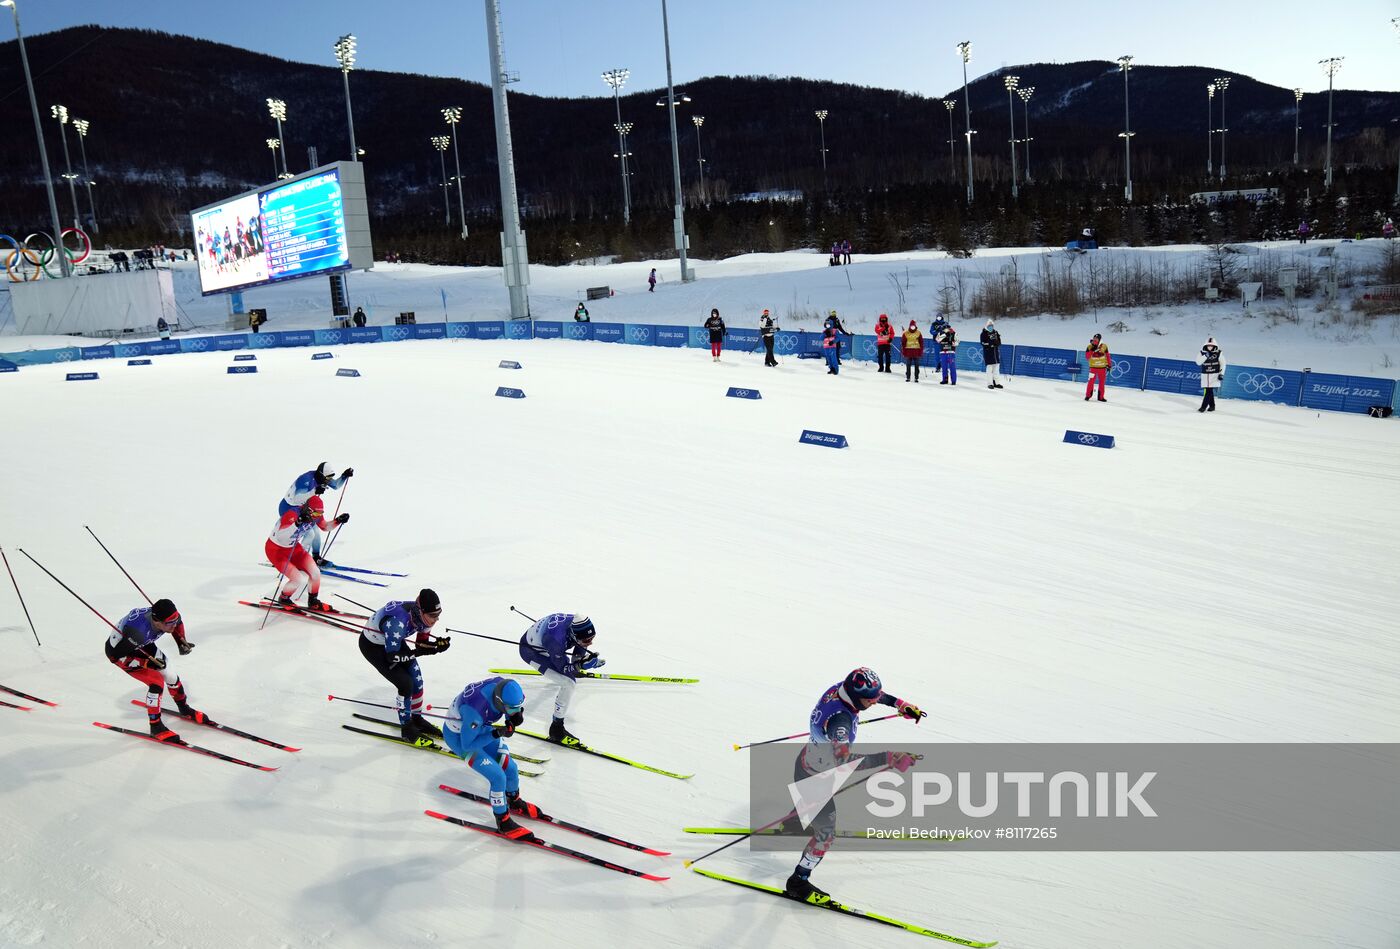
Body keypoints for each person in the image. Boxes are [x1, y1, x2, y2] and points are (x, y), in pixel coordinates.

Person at [785, 667, 925, 902]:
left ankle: (795, 819)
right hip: (815, 778)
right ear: (855, 695)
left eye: (875, 697)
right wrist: (889, 758)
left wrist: (900, 704)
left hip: (810, 763)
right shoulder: (840, 722)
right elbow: (844, 762)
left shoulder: (844, 689)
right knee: (826, 835)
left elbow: (875, 694)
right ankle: (798, 881)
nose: (874, 701)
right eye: (870, 699)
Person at [442, 676, 538, 839]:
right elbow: (468, 745)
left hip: (481, 729)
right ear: (500, 702)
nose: (516, 710)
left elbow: (509, 707)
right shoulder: (475, 712)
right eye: (512, 708)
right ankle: (503, 821)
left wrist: (512, 718)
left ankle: (513, 800)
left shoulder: (503, 686)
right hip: (461, 738)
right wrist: (496, 733)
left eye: (518, 707)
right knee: (498, 777)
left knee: (511, 768)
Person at [105, 598, 204, 742]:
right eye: (169, 623)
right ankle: (156, 727)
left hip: (144, 644)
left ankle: (185, 709)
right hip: (122, 652)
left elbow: (178, 622)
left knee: (170, 675)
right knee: (156, 682)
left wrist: (181, 642)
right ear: (157, 622)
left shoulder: (168, 617)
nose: (174, 625)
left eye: (175, 620)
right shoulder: (137, 633)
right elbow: (115, 657)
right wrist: (146, 664)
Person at [360, 589, 450, 744]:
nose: (436, 620)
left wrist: (436, 646)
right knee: (405, 683)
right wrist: (422, 652)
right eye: (433, 616)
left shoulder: (424, 617)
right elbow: (392, 657)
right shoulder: (397, 623)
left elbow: (421, 643)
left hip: (393, 642)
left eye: (438, 615)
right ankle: (407, 728)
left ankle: (416, 719)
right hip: (374, 647)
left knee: (416, 678)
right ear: (421, 612)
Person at [518, 612, 604, 745]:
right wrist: (579, 665)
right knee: (568, 683)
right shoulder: (556, 641)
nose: (590, 643)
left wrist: (578, 662)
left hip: (547, 642)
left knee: (572, 666)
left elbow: (580, 644)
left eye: (592, 638)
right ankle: (556, 729)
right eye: (587, 640)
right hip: (532, 652)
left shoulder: (576, 624)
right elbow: (563, 668)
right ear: (574, 635)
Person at [266, 497, 348, 612]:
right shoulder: (292, 514)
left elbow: (325, 527)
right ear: (307, 509)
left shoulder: (316, 515)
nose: (317, 516)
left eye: (320, 513)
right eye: (315, 513)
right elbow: (281, 536)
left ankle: (313, 602)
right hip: (276, 550)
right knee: (297, 579)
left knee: (315, 573)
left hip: (293, 547)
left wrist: (338, 521)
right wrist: (297, 523)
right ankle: (284, 598)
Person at [280, 462, 354, 563]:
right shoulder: (305, 480)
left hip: (305, 507)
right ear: (320, 474)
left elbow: (336, 486)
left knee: (316, 532)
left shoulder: (324, 478)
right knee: (309, 533)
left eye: (329, 478)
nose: (328, 481)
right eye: (327, 479)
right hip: (289, 507)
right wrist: (314, 491)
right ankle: (299, 559)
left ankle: (316, 557)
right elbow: (296, 499)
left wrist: (344, 476)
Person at [1196, 336, 1225, 413]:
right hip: (1205, 375)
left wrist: (1221, 374)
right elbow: (1198, 362)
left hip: (1214, 375)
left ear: (1215, 346)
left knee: (1209, 391)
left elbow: (1223, 364)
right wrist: (1205, 356)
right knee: (1209, 391)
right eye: (1208, 345)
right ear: (1205, 345)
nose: (1210, 347)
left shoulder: (1219, 353)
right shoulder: (1202, 353)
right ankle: (1212, 406)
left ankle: (1203, 407)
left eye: (1211, 346)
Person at [1084, 333, 1111, 402]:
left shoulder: (1104, 346)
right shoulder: (1089, 346)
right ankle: (1088, 396)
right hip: (1093, 368)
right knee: (1090, 382)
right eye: (1094, 338)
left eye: (1096, 339)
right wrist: (1092, 349)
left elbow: (1107, 356)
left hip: (1102, 368)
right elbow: (1087, 357)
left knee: (1102, 383)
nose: (1095, 340)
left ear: (1100, 339)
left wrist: (1109, 365)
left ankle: (1101, 397)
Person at [980, 320, 1004, 389]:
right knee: (989, 370)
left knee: (996, 369)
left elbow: (999, 342)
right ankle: (990, 383)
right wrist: (990, 344)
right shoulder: (984, 333)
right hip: (988, 354)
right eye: (989, 326)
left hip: (996, 354)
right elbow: (983, 343)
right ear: (986, 326)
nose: (991, 327)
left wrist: (997, 343)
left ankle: (996, 383)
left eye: (992, 326)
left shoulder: (995, 332)